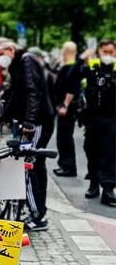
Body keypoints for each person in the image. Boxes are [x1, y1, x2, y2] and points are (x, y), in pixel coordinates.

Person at [0, 40, 54, 231]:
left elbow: (32, 92)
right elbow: (16, 94)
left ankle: (37, 216)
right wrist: (4, 116)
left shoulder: (26, 60)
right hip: (35, 120)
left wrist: (29, 120)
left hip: (37, 122)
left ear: (11, 50)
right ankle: (36, 212)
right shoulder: (17, 64)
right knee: (34, 165)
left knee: (28, 166)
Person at [66, 40, 116, 207]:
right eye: (105, 52)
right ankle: (93, 183)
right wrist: (81, 59)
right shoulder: (92, 67)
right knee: (92, 151)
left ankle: (108, 189)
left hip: (112, 118)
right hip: (93, 117)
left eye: (111, 52)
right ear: (100, 52)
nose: (108, 55)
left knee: (109, 154)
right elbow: (71, 77)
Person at [53, 41, 79, 177]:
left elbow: (71, 89)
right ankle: (65, 164)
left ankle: (68, 166)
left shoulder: (70, 68)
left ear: (65, 52)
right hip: (67, 107)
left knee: (64, 137)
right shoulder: (71, 67)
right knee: (63, 137)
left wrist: (65, 105)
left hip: (67, 108)